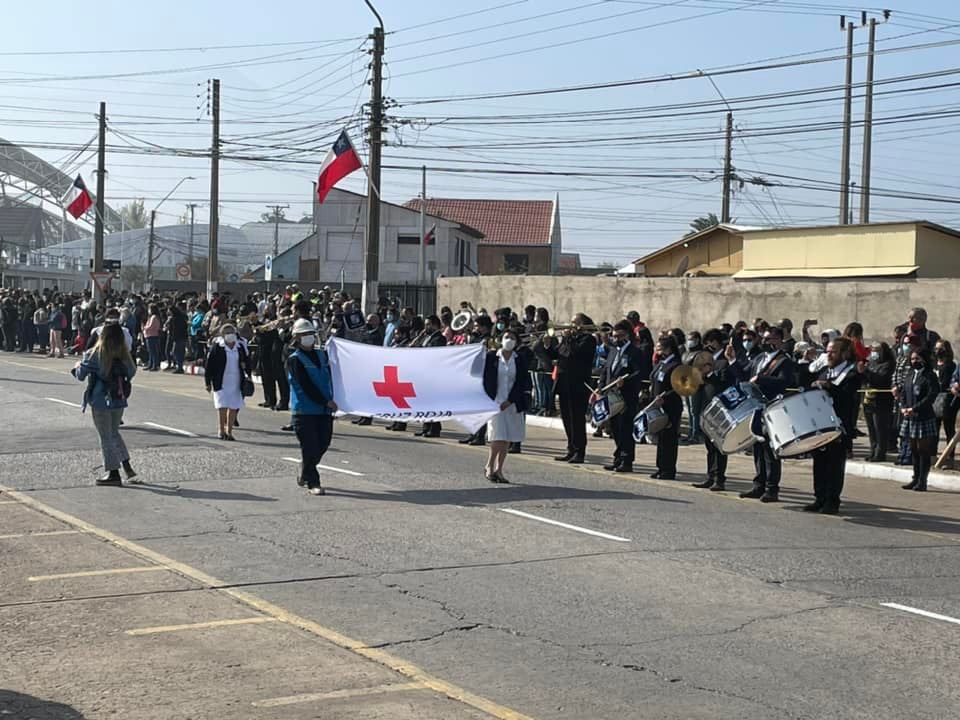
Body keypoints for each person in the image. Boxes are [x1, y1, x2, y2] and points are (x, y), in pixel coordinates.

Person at [726, 325, 795, 502]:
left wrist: (762, 378)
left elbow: (784, 382)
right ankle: (759, 484)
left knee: (770, 450)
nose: (764, 341)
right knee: (757, 446)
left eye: (769, 339)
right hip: (756, 407)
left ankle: (772, 488)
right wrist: (732, 360)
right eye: (763, 338)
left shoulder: (784, 361)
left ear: (779, 341)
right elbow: (744, 376)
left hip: (773, 408)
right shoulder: (759, 358)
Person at [71, 324, 137, 486]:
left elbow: (81, 375)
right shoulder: (124, 355)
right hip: (119, 398)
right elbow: (131, 372)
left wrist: (77, 367)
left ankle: (113, 472)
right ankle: (126, 465)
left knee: (105, 436)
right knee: (114, 432)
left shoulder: (95, 354)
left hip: (100, 398)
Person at [802, 337, 861, 513]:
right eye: (827, 351)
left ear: (845, 353)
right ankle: (819, 497)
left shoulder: (851, 374)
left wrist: (827, 386)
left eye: (833, 352)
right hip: (821, 425)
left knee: (835, 465)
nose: (829, 355)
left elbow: (846, 398)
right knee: (819, 462)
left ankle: (832, 500)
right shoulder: (825, 371)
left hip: (839, 426)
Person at [287, 318, 337, 495]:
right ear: (297, 337)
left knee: (323, 443)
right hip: (304, 411)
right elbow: (305, 385)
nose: (309, 337)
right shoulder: (294, 360)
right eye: (304, 335)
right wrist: (325, 401)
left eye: (310, 334)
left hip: (324, 411)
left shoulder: (322, 355)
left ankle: (305, 468)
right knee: (309, 446)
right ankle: (313, 482)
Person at [482, 329, 531, 483]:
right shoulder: (491, 357)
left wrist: (510, 400)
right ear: (500, 339)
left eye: (512, 338)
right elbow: (483, 377)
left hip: (512, 403)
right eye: (506, 337)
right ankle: (489, 465)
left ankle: (499, 469)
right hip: (495, 401)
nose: (509, 340)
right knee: (497, 435)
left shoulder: (519, 359)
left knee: (507, 437)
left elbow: (521, 382)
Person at [599, 320, 644, 473]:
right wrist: (600, 389)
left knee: (625, 428)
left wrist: (625, 381)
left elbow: (638, 373)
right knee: (615, 428)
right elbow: (606, 370)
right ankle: (617, 457)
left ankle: (627, 460)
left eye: (619, 336)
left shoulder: (635, 352)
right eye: (614, 336)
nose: (616, 339)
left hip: (626, 397)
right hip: (612, 396)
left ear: (627, 335)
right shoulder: (613, 351)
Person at [553, 314, 596, 464]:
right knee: (566, 417)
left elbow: (575, 354)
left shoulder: (588, 339)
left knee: (577, 419)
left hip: (578, 384)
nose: (570, 325)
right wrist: (547, 344)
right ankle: (570, 448)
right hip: (564, 382)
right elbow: (559, 354)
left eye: (574, 322)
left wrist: (569, 339)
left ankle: (579, 451)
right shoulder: (569, 339)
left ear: (582, 324)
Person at [693, 328, 731, 491]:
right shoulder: (703, 360)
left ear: (717, 343)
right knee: (709, 444)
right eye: (706, 342)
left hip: (719, 407)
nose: (708, 345)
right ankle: (710, 475)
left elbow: (725, 381)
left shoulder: (724, 360)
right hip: (705, 405)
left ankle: (719, 478)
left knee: (718, 445)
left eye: (710, 342)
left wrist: (710, 374)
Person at [898, 347, 939, 492]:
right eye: (913, 359)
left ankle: (923, 481)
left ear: (924, 359)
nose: (914, 361)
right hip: (909, 417)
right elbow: (903, 392)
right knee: (913, 449)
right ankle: (915, 478)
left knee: (923, 450)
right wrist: (903, 407)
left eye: (917, 359)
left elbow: (931, 395)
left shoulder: (929, 375)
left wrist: (915, 408)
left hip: (923, 416)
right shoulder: (910, 374)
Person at [204, 324, 251, 440]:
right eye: (227, 332)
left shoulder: (239, 347)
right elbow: (209, 365)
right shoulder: (218, 347)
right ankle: (221, 430)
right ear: (222, 335)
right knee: (222, 406)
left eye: (232, 332)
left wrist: (248, 372)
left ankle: (229, 431)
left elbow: (246, 361)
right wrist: (208, 382)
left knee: (234, 406)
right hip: (221, 380)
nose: (230, 334)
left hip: (235, 380)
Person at [649, 334, 682, 479]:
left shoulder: (676, 365)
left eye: (660, 348)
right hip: (658, 405)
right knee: (661, 437)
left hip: (670, 405)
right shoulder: (662, 363)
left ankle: (669, 469)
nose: (657, 350)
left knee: (669, 438)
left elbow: (679, 387)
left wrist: (664, 397)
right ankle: (660, 467)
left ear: (668, 349)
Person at [860, 342, 895, 462]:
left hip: (881, 401)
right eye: (872, 349)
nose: (874, 352)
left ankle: (880, 453)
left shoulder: (888, 364)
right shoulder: (871, 363)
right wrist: (863, 371)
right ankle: (873, 450)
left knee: (880, 428)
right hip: (869, 399)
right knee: (871, 428)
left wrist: (867, 372)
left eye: (877, 350)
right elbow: (866, 379)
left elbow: (881, 379)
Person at [143, 304, 162, 371]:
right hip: (149, 335)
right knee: (150, 352)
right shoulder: (151, 317)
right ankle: (150, 364)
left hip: (152, 335)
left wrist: (144, 328)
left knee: (153, 352)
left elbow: (151, 326)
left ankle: (155, 365)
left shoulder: (154, 317)